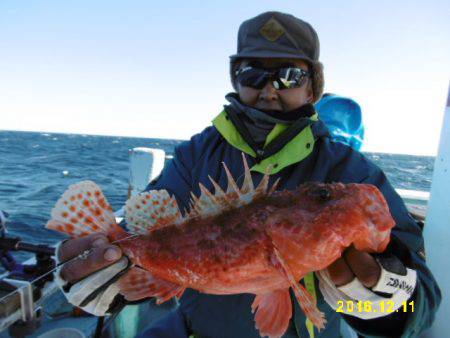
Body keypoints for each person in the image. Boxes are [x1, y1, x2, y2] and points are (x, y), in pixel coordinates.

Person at [55, 11, 441, 338]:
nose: (270, 89)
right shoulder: (196, 155)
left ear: (312, 88)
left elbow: (422, 301)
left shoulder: (350, 172)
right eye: (253, 73)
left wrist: (386, 294)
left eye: (289, 75)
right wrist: (103, 279)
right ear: (235, 79)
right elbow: (146, 228)